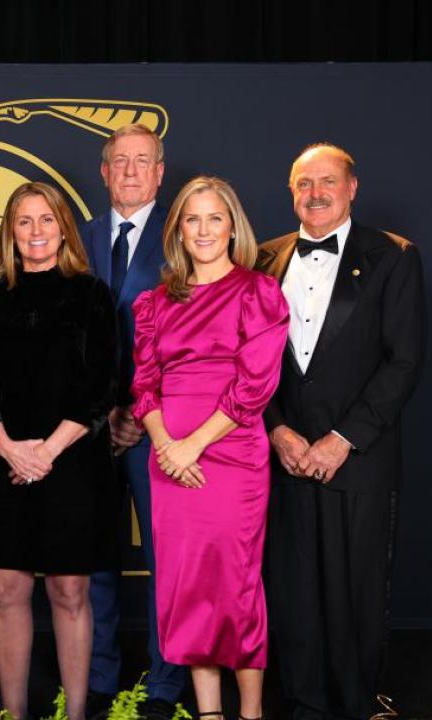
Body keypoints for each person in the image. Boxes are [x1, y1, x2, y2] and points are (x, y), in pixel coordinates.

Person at [257, 144, 426, 720]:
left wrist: (341, 440)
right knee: (294, 591)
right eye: (304, 183)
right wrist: (279, 431)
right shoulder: (262, 259)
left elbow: (403, 362)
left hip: (358, 458)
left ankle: (357, 704)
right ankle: (303, 704)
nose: (316, 193)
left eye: (328, 182)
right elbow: (252, 364)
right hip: (285, 458)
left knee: (355, 593)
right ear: (291, 191)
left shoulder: (394, 256)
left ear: (352, 187)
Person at [131, 177, 289, 720]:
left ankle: (250, 712)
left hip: (231, 455)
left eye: (214, 218)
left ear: (232, 226)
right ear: (178, 228)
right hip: (168, 458)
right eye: (192, 219)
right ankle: (209, 713)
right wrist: (165, 444)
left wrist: (192, 445)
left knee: (237, 585)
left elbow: (256, 384)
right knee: (187, 585)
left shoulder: (258, 292)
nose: (203, 230)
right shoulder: (155, 302)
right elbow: (144, 384)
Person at [0, 181, 120, 720]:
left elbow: (102, 387)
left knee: (70, 593)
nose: (35, 232)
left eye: (46, 220)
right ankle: (14, 713)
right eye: (24, 221)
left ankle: (74, 713)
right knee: (7, 592)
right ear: (9, 230)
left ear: (63, 227)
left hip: (71, 464)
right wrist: (9, 448)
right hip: (2, 462)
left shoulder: (92, 294)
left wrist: (46, 453)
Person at [81, 123, 186, 719]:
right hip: (93, 430)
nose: (129, 171)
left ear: (159, 171)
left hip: (162, 431)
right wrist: (105, 411)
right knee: (95, 556)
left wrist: (147, 415)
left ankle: (165, 683)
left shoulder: (184, 235)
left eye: (141, 161)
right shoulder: (81, 236)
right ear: (103, 171)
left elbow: (199, 341)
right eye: (119, 161)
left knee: (166, 559)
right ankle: (100, 676)